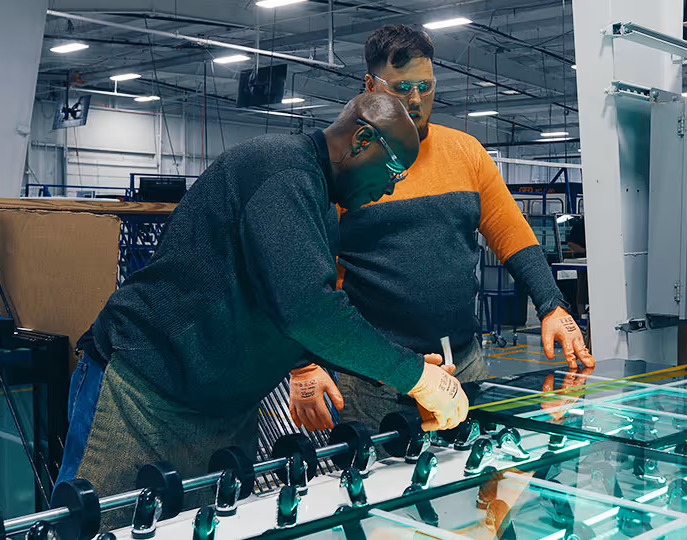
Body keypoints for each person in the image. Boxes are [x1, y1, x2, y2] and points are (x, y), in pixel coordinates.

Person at [56, 93, 468, 497]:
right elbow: (307, 309)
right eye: (394, 171)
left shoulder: (319, 199)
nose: (391, 190)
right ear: (362, 141)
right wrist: (411, 374)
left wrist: (385, 367)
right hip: (147, 393)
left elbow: (281, 304)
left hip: (221, 408)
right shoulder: (281, 170)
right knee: (99, 526)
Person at [289, 25, 595, 434]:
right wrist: (304, 362)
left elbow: (511, 232)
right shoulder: (347, 161)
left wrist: (552, 305)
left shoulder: (465, 152)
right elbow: (303, 282)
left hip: (461, 365)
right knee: (377, 489)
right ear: (369, 85)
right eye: (401, 88)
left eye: (425, 86)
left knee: (471, 481)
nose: (415, 100)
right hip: (373, 376)